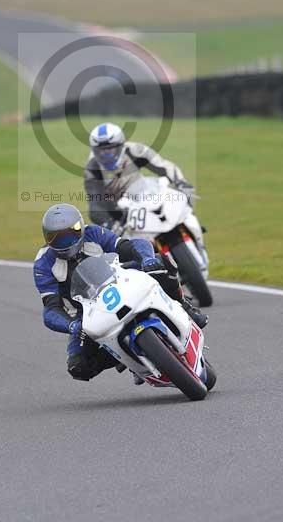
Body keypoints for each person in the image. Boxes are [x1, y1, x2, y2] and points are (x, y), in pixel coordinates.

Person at [33, 203, 207, 382]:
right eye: (56, 238)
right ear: (46, 238)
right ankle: (125, 358)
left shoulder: (93, 233)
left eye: (70, 233)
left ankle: (184, 306)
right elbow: (50, 310)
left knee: (160, 262)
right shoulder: (43, 264)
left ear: (80, 227)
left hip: (118, 283)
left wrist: (146, 259)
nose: (65, 242)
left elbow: (131, 245)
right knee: (78, 367)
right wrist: (72, 325)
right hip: (84, 315)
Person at [84, 122, 206, 252]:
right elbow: (95, 202)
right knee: (123, 249)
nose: (105, 155)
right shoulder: (92, 168)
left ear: (121, 145)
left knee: (182, 201)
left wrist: (181, 182)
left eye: (110, 149)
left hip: (142, 194)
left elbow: (163, 166)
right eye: (101, 151)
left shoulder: (135, 150)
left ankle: (195, 234)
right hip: (118, 211)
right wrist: (108, 222)